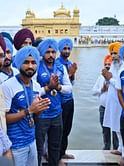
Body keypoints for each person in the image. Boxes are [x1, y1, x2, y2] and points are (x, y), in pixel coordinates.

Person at [1, 46, 50, 166]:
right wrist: (29, 110)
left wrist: (39, 109)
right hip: (15, 145)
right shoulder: (8, 86)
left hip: (31, 140)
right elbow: (4, 119)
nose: (30, 66)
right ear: (18, 63)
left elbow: (35, 115)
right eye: (26, 62)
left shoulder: (37, 86)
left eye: (33, 62)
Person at [36, 38, 72, 166]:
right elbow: (34, 91)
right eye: (47, 52)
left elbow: (69, 89)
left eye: (53, 52)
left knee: (55, 147)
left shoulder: (61, 67)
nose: (51, 55)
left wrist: (58, 87)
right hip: (41, 114)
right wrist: (48, 87)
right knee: (39, 148)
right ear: (42, 53)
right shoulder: (37, 66)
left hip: (57, 113)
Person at [102, 42, 124, 164]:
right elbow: (109, 80)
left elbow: (119, 83)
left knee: (123, 127)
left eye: (115, 53)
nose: (113, 56)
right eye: (111, 53)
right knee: (116, 125)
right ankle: (120, 148)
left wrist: (109, 78)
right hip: (112, 100)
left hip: (121, 101)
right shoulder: (113, 65)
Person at [56, 38, 77, 161]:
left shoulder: (70, 63)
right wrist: (69, 74)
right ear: (60, 50)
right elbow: (57, 83)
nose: (67, 51)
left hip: (69, 100)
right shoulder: (57, 64)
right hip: (60, 102)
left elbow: (71, 84)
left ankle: (63, 152)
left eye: (69, 48)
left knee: (67, 129)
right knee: (59, 130)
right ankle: (56, 156)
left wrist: (72, 74)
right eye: (64, 48)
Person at [92, 55, 118, 150]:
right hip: (103, 108)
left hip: (114, 108)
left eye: (109, 64)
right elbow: (93, 91)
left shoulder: (116, 77)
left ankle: (116, 148)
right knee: (105, 130)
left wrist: (110, 81)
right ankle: (106, 147)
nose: (107, 66)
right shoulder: (100, 78)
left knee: (115, 130)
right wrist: (101, 89)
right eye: (105, 64)